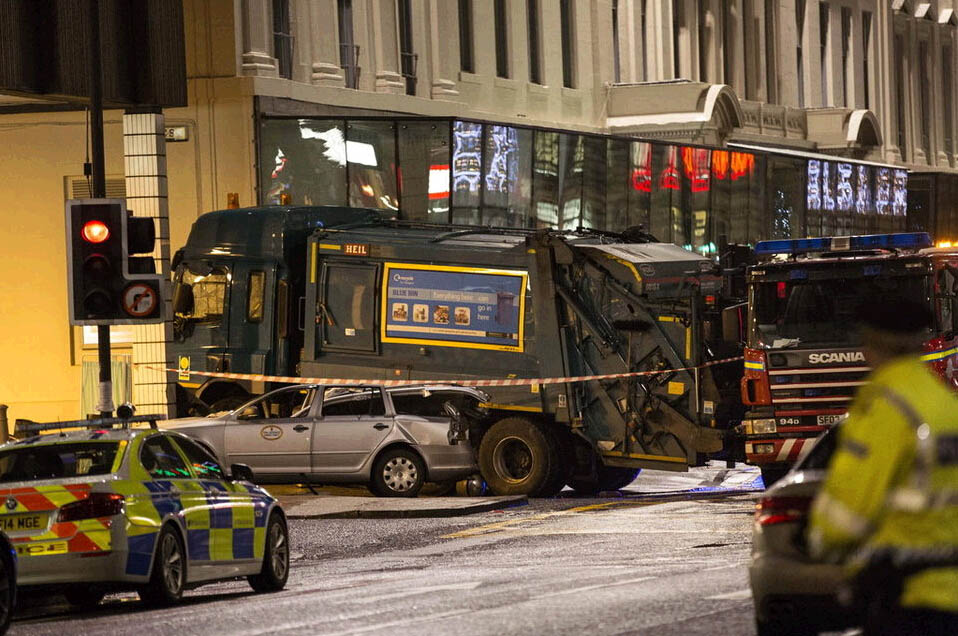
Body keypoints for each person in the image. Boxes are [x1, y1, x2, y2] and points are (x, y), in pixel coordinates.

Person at [807, 298, 958, 635]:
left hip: (907, 596)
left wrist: (817, 540)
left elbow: (849, 514)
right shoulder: (946, 405)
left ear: (869, 345)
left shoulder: (887, 407)